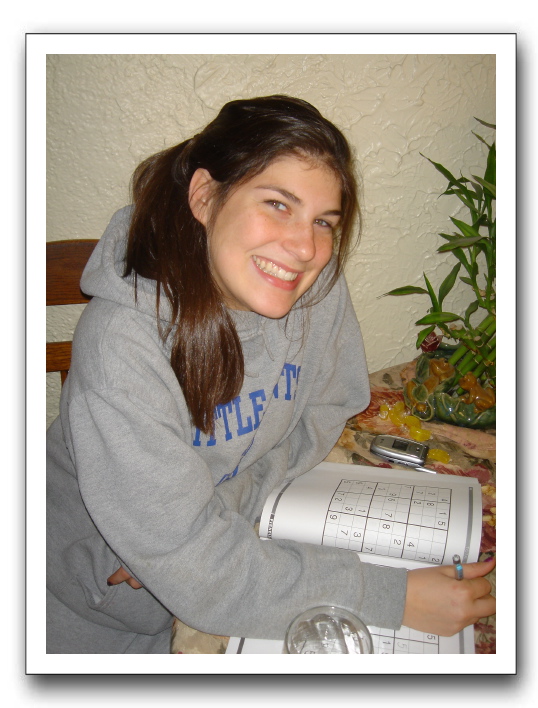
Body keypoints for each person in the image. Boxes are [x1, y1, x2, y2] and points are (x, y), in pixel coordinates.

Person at [46, 95, 496, 654]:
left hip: (222, 565)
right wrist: (393, 597)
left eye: (323, 221)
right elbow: (192, 568)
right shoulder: (122, 343)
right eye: (278, 204)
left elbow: (329, 406)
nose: (306, 247)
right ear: (205, 196)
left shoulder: (311, 282)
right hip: (89, 612)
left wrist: (221, 507)